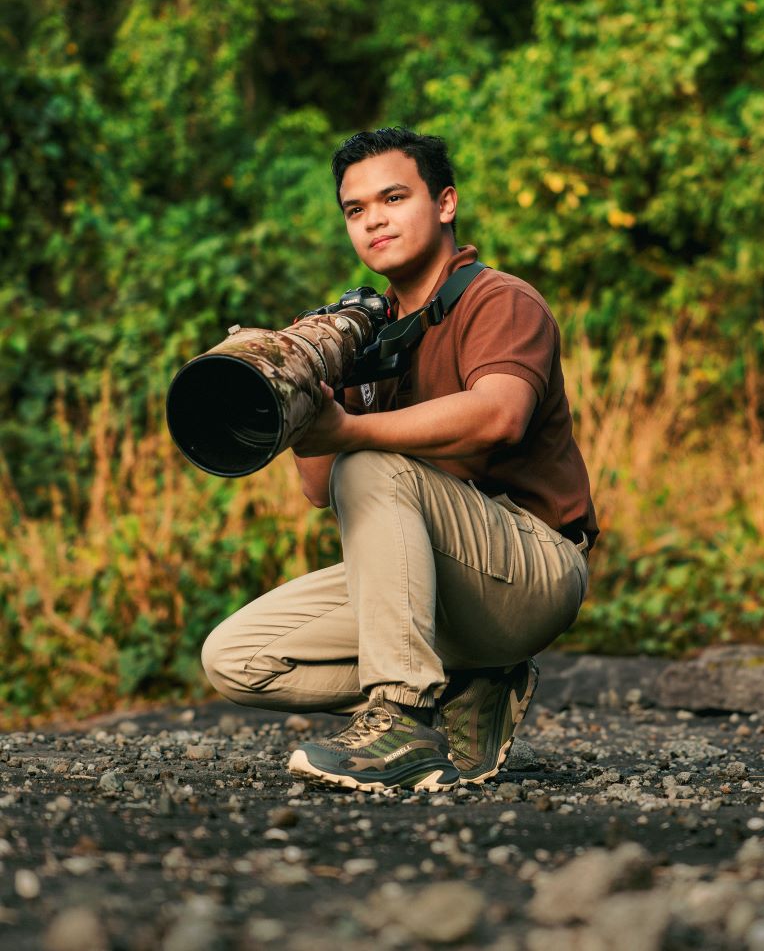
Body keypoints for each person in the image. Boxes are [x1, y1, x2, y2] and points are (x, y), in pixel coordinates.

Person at [201, 127, 597, 793]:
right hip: (441, 583)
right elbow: (321, 487)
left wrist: (353, 429)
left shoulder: (498, 299)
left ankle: (401, 722)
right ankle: (471, 687)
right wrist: (301, 389)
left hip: (532, 570)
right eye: (355, 210)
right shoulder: (368, 333)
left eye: (392, 197)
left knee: (369, 459)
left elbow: (501, 414)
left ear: (445, 204)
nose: (373, 219)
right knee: (237, 657)